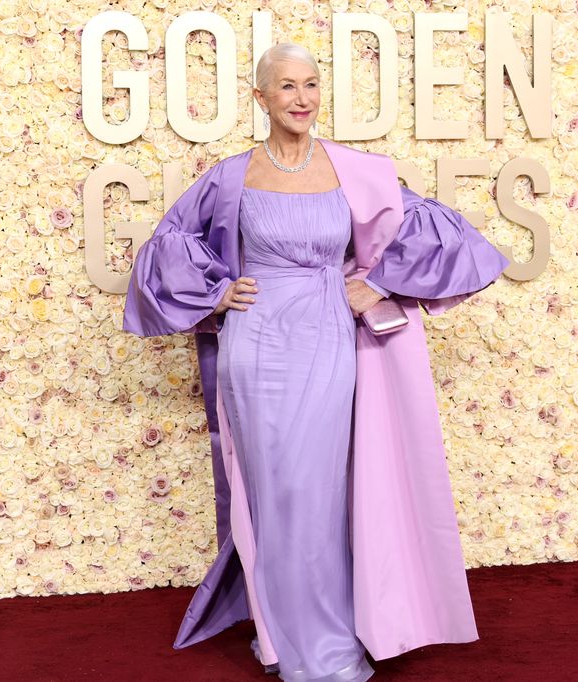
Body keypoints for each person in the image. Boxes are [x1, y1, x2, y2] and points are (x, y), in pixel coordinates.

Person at [123, 43, 510, 681]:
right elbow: (164, 247)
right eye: (286, 87)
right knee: (273, 493)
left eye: (310, 85)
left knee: (318, 492)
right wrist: (218, 292)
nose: (301, 98)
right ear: (261, 98)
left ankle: (326, 641)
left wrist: (379, 282)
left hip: (330, 343)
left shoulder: (357, 170)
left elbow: (449, 236)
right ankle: (279, 637)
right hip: (255, 346)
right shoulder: (230, 176)